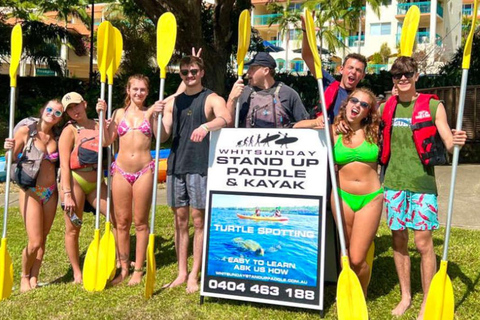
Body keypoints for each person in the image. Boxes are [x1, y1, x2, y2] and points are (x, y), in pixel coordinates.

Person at [380, 56, 467, 319]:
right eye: (397, 75)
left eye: (408, 74)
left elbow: (448, 142)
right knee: (398, 239)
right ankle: (406, 295)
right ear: (393, 80)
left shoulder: (432, 106)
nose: (403, 78)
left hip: (422, 184)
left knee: (423, 242)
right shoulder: (387, 106)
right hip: (393, 183)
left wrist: (457, 141)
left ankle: (428, 299)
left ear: (417, 76)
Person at [155, 55, 231, 293]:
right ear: (180, 75)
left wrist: (206, 126)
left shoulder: (210, 98)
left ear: (201, 73)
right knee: (180, 222)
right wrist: (156, 117)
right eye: (185, 72)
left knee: (198, 222)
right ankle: (181, 272)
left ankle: (194, 274)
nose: (189, 76)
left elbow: (226, 117)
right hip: (176, 166)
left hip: (200, 166)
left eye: (193, 71)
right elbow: (164, 135)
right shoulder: (172, 102)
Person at [97, 74, 162, 286]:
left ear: (147, 92)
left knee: (141, 222)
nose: (139, 93)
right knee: (121, 222)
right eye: (135, 89)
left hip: (144, 170)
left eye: (143, 89)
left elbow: (161, 131)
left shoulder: (152, 112)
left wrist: (155, 113)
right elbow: (106, 141)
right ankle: (123, 267)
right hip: (121, 171)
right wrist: (102, 116)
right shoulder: (118, 114)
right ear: (128, 90)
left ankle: (139, 268)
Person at [4, 100, 64, 292]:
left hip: (50, 192)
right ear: (42, 109)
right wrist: (8, 149)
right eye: (49, 109)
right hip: (30, 191)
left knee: (43, 239)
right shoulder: (26, 131)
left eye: (57, 113)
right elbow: (11, 159)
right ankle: (24, 276)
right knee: (34, 241)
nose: (52, 114)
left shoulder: (57, 137)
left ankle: (35, 276)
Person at [330, 88, 383, 296]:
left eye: (364, 105)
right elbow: (300, 125)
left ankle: (362, 293)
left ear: (369, 111)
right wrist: (330, 123)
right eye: (354, 101)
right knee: (346, 256)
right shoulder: (334, 130)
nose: (357, 106)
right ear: (347, 102)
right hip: (342, 197)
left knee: (358, 258)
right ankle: (348, 295)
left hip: (370, 199)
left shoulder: (376, 129)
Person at [58, 92, 114, 284]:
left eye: (77, 106)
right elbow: (64, 165)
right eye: (70, 109)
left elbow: (109, 145)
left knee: (116, 218)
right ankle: (76, 272)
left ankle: (116, 258)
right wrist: (67, 194)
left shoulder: (99, 125)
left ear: (85, 103)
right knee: (73, 228)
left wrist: (104, 115)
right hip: (75, 183)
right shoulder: (70, 131)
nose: (75, 111)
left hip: (97, 182)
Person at [296, 14, 367, 128]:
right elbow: (308, 57)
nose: (353, 72)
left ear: (362, 75)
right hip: (326, 141)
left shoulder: (362, 99)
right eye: (350, 68)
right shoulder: (329, 83)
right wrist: (306, 31)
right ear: (341, 70)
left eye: (358, 70)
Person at [227, 52, 309, 128]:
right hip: (249, 142)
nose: (248, 72)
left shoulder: (288, 94)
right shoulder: (243, 93)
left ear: (266, 71)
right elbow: (228, 125)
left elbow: (304, 124)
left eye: (252, 68)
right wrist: (231, 99)